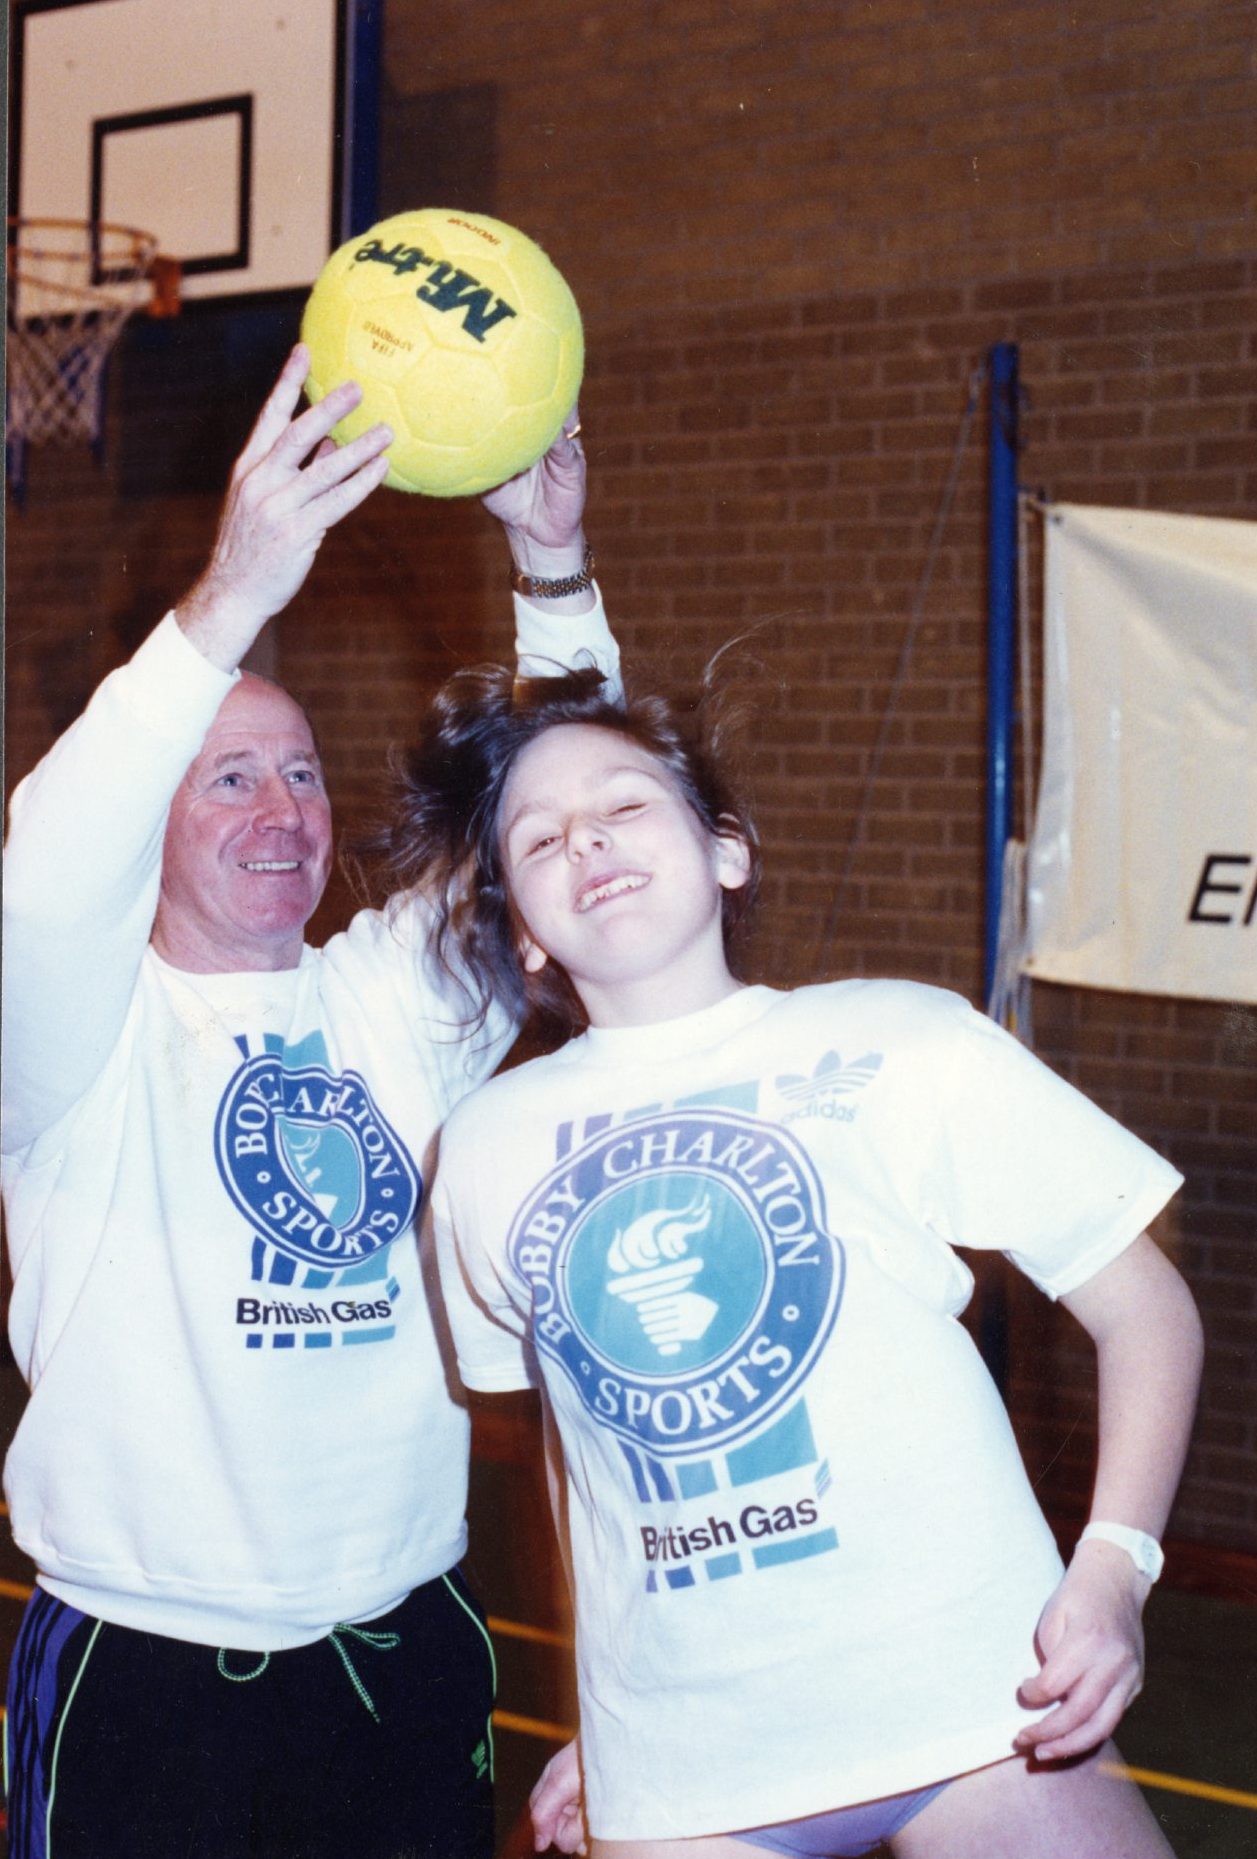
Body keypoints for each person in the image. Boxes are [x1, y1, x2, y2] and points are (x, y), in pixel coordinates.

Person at [387, 662, 1204, 1859]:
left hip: (983, 1709)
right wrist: (595, 1725)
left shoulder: (901, 1038)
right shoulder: (483, 1148)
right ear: (523, 928)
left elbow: (1148, 1309)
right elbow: (580, 1461)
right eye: (540, 836)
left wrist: (1116, 1570)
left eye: (624, 805)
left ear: (727, 850)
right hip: (687, 1774)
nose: (588, 842)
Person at [0, 345, 619, 1859]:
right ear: (151, 813)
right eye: (227, 779)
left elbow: (558, 808)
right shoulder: (70, 1026)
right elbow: (51, 854)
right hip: (146, 1668)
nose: (283, 811)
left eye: (301, 773)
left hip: (401, 1651)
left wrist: (552, 566)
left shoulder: (384, 999)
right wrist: (229, 594)